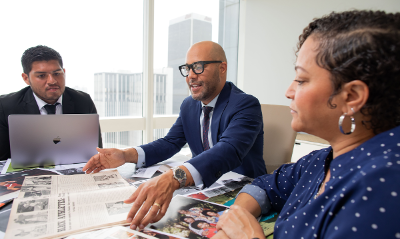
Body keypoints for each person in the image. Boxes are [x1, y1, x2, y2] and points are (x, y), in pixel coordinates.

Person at [214, 10, 400, 239]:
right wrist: (236, 218)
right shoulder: (321, 160)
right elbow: (267, 185)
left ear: (351, 97)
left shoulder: (383, 188)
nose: (289, 92)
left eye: (301, 80)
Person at [83, 41, 266, 230]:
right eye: (187, 69)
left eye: (198, 67)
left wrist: (174, 177)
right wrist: (125, 155)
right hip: (204, 187)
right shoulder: (189, 105)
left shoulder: (245, 104)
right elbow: (170, 142)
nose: (191, 76)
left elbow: (228, 150)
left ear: (222, 68)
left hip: (243, 191)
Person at [0, 45, 102, 161]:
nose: (52, 81)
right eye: (41, 76)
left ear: (64, 72)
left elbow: (96, 152)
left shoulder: (83, 101)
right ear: (26, 78)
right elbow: (2, 159)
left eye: (57, 73)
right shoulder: (6, 105)